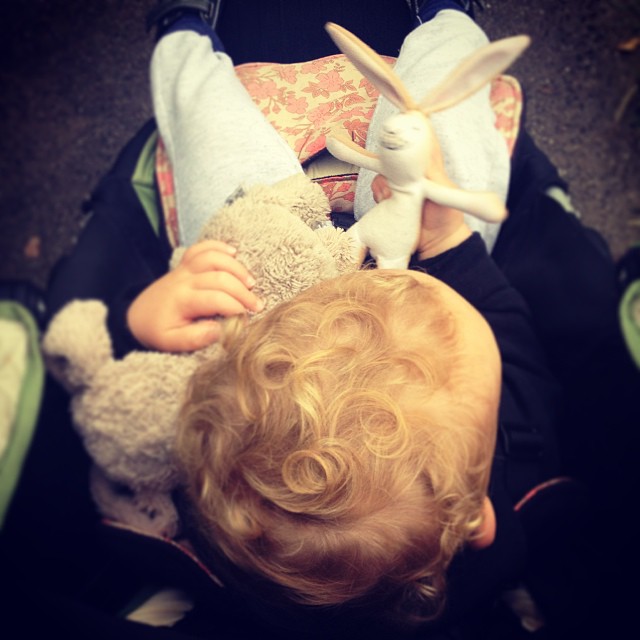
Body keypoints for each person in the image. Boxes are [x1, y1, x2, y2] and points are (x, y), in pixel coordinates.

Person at [43, 0, 639, 636]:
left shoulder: (194, 494)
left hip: (266, 286)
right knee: (438, 127)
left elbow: (113, 414)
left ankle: (182, 38)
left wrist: (135, 329)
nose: (368, 283)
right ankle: (444, 22)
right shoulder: (513, 486)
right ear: (480, 521)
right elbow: (511, 340)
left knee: (217, 161)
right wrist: (447, 244)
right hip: (375, 239)